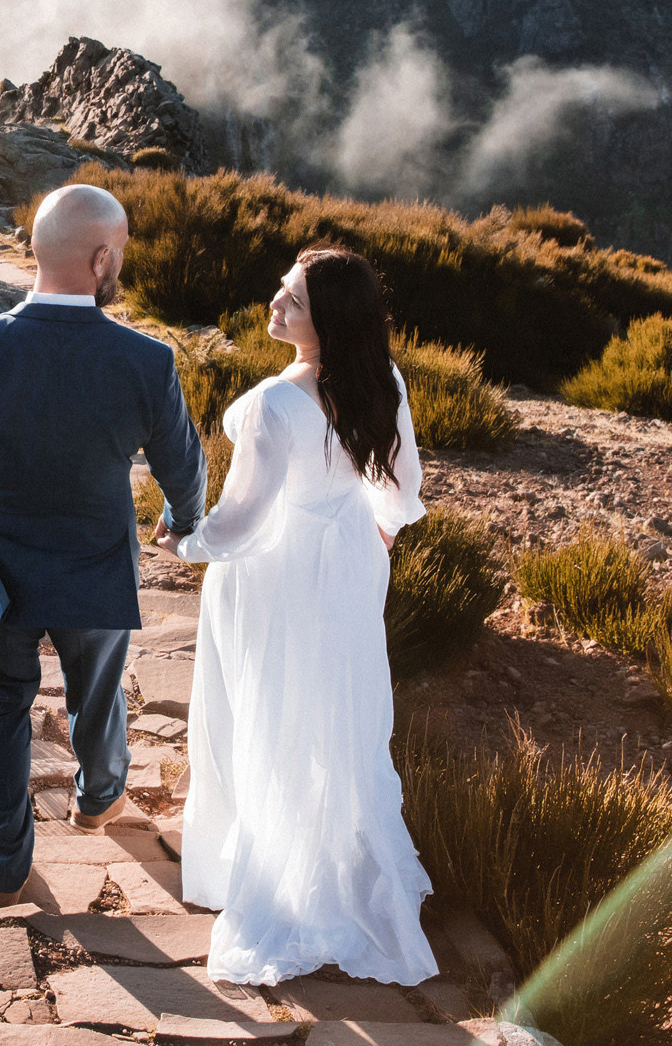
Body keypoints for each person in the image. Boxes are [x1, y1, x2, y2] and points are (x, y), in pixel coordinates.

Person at [0, 184, 208, 907]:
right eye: (117, 252)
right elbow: (183, 466)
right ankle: (98, 798)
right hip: (96, 560)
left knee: (1, 696)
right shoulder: (146, 361)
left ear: (35, 248)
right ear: (102, 258)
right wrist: (183, 519)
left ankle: (3, 862)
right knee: (97, 691)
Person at [152, 245, 437, 987]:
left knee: (265, 709)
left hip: (275, 575)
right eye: (282, 289)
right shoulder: (383, 380)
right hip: (346, 566)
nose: (275, 304)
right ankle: (334, 863)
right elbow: (403, 488)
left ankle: (270, 874)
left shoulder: (278, 404)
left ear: (329, 322)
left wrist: (186, 542)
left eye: (294, 301)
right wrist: (370, 530)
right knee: (333, 711)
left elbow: (244, 520)